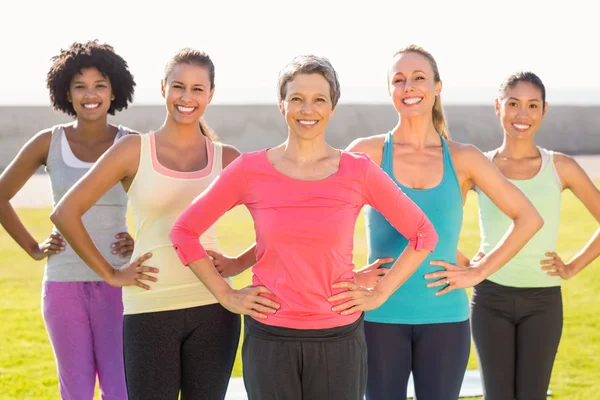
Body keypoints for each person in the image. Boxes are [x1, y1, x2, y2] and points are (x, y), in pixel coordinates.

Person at [168, 54, 439, 400]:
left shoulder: (358, 171)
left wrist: (380, 293)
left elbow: (423, 234)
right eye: (296, 98)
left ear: (332, 107)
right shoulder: (250, 170)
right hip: (270, 338)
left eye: (318, 99)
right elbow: (184, 232)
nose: (306, 109)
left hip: (339, 339)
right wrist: (227, 295)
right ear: (282, 105)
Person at [345, 45, 544, 400]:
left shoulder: (464, 158)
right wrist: (348, 276)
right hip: (379, 315)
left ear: (438, 86)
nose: (409, 87)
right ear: (390, 91)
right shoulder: (367, 153)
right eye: (399, 80)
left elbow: (528, 217)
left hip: (445, 319)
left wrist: (477, 273)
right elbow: (323, 216)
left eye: (419, 78)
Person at [50, 48, 241, 400]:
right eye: (178, 86)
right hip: (149, 307)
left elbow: (279, 215)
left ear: (211, 94)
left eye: (198, 89)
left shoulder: (227, 158)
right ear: (163, 88)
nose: (187, 97)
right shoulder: (134, 150)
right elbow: (65, 212)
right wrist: (111, 273)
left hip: (214, 306)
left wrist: (239, 263)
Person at [0, 40, 136, 400]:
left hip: (119, 282)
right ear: (67, 92)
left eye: (99, 85)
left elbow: (162, 203)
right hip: (63, 284)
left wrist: (141, 242)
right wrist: (33, 248)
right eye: (80, 86)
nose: (90, 94)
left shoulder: (132, 143)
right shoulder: (49, 143)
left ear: (114, 90)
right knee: (75, 391)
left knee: (120, 390)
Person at [468, 71, 600, 400]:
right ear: (498, 106)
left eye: (531, 105)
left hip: (542, 303)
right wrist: (465, 262)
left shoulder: (561, 166)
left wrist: (572, 266)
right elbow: (439, 217)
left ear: (544, 110)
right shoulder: (480, 166)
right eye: (513, 104)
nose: (522, 114)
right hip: (490, 299)